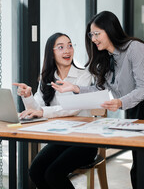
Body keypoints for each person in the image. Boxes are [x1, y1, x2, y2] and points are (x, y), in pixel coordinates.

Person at [52, 11, 144, 189]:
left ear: (110, 30)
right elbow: (103, 89)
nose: (93, 39)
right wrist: (75, 88)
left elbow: (143, 88)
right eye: (91, 34)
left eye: (97, 33)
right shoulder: (108, 59)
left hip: (140, 107)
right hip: (135, 111)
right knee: (138, 170)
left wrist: (120, 102)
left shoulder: (135, 48)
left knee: (141, 170)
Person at [13, 32, 97, 189]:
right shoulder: (47, 77)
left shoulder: (83, 75)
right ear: (51, 52)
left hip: (85, 140)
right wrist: (28, 96)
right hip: (62, 139)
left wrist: (43, 112)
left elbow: (73, 108)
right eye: (61, 47)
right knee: (36, 172)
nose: (67, 50)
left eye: (70, 45)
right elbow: (36, 109)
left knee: (53, 174)